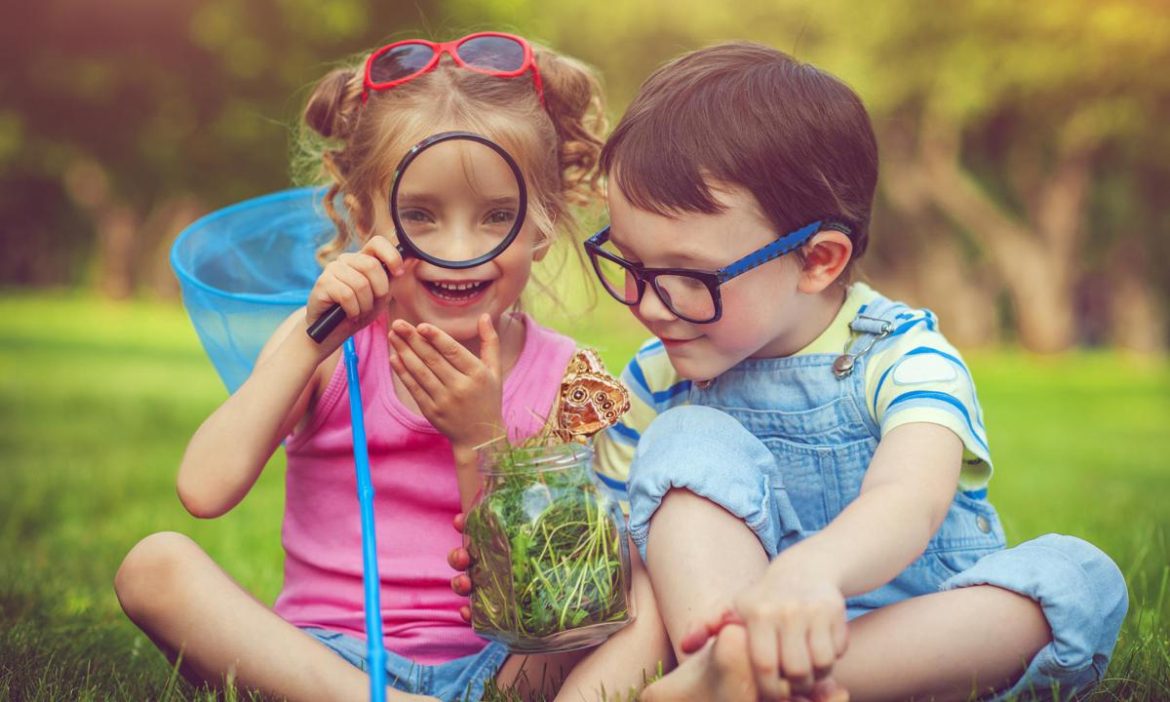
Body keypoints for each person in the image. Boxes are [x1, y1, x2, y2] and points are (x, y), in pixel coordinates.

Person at [114, 32, 669, 702]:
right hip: (325, 663)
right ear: (361, 219)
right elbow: (204, 489)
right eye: (419, 216)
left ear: (542, 226)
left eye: (497, 215)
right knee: (154, 567)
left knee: (642, 590)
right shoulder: (328, 348)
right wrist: (307, 343)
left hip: (500, 668)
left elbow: (549, 606)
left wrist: (480, 443)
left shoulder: (572, 378)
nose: (457, 251)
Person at [578, 42, 1128, 701]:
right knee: (687, 440)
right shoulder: (657, 378)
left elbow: (910, 497)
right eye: (630, 265)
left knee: (1083, 579)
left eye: (687, 278)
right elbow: (625, 568)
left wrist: (813, 571)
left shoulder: (902, 356)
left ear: (818, 261)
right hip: (719, 623)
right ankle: (731, 668)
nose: (644, 302)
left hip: (911, 632)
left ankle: (754, 680)